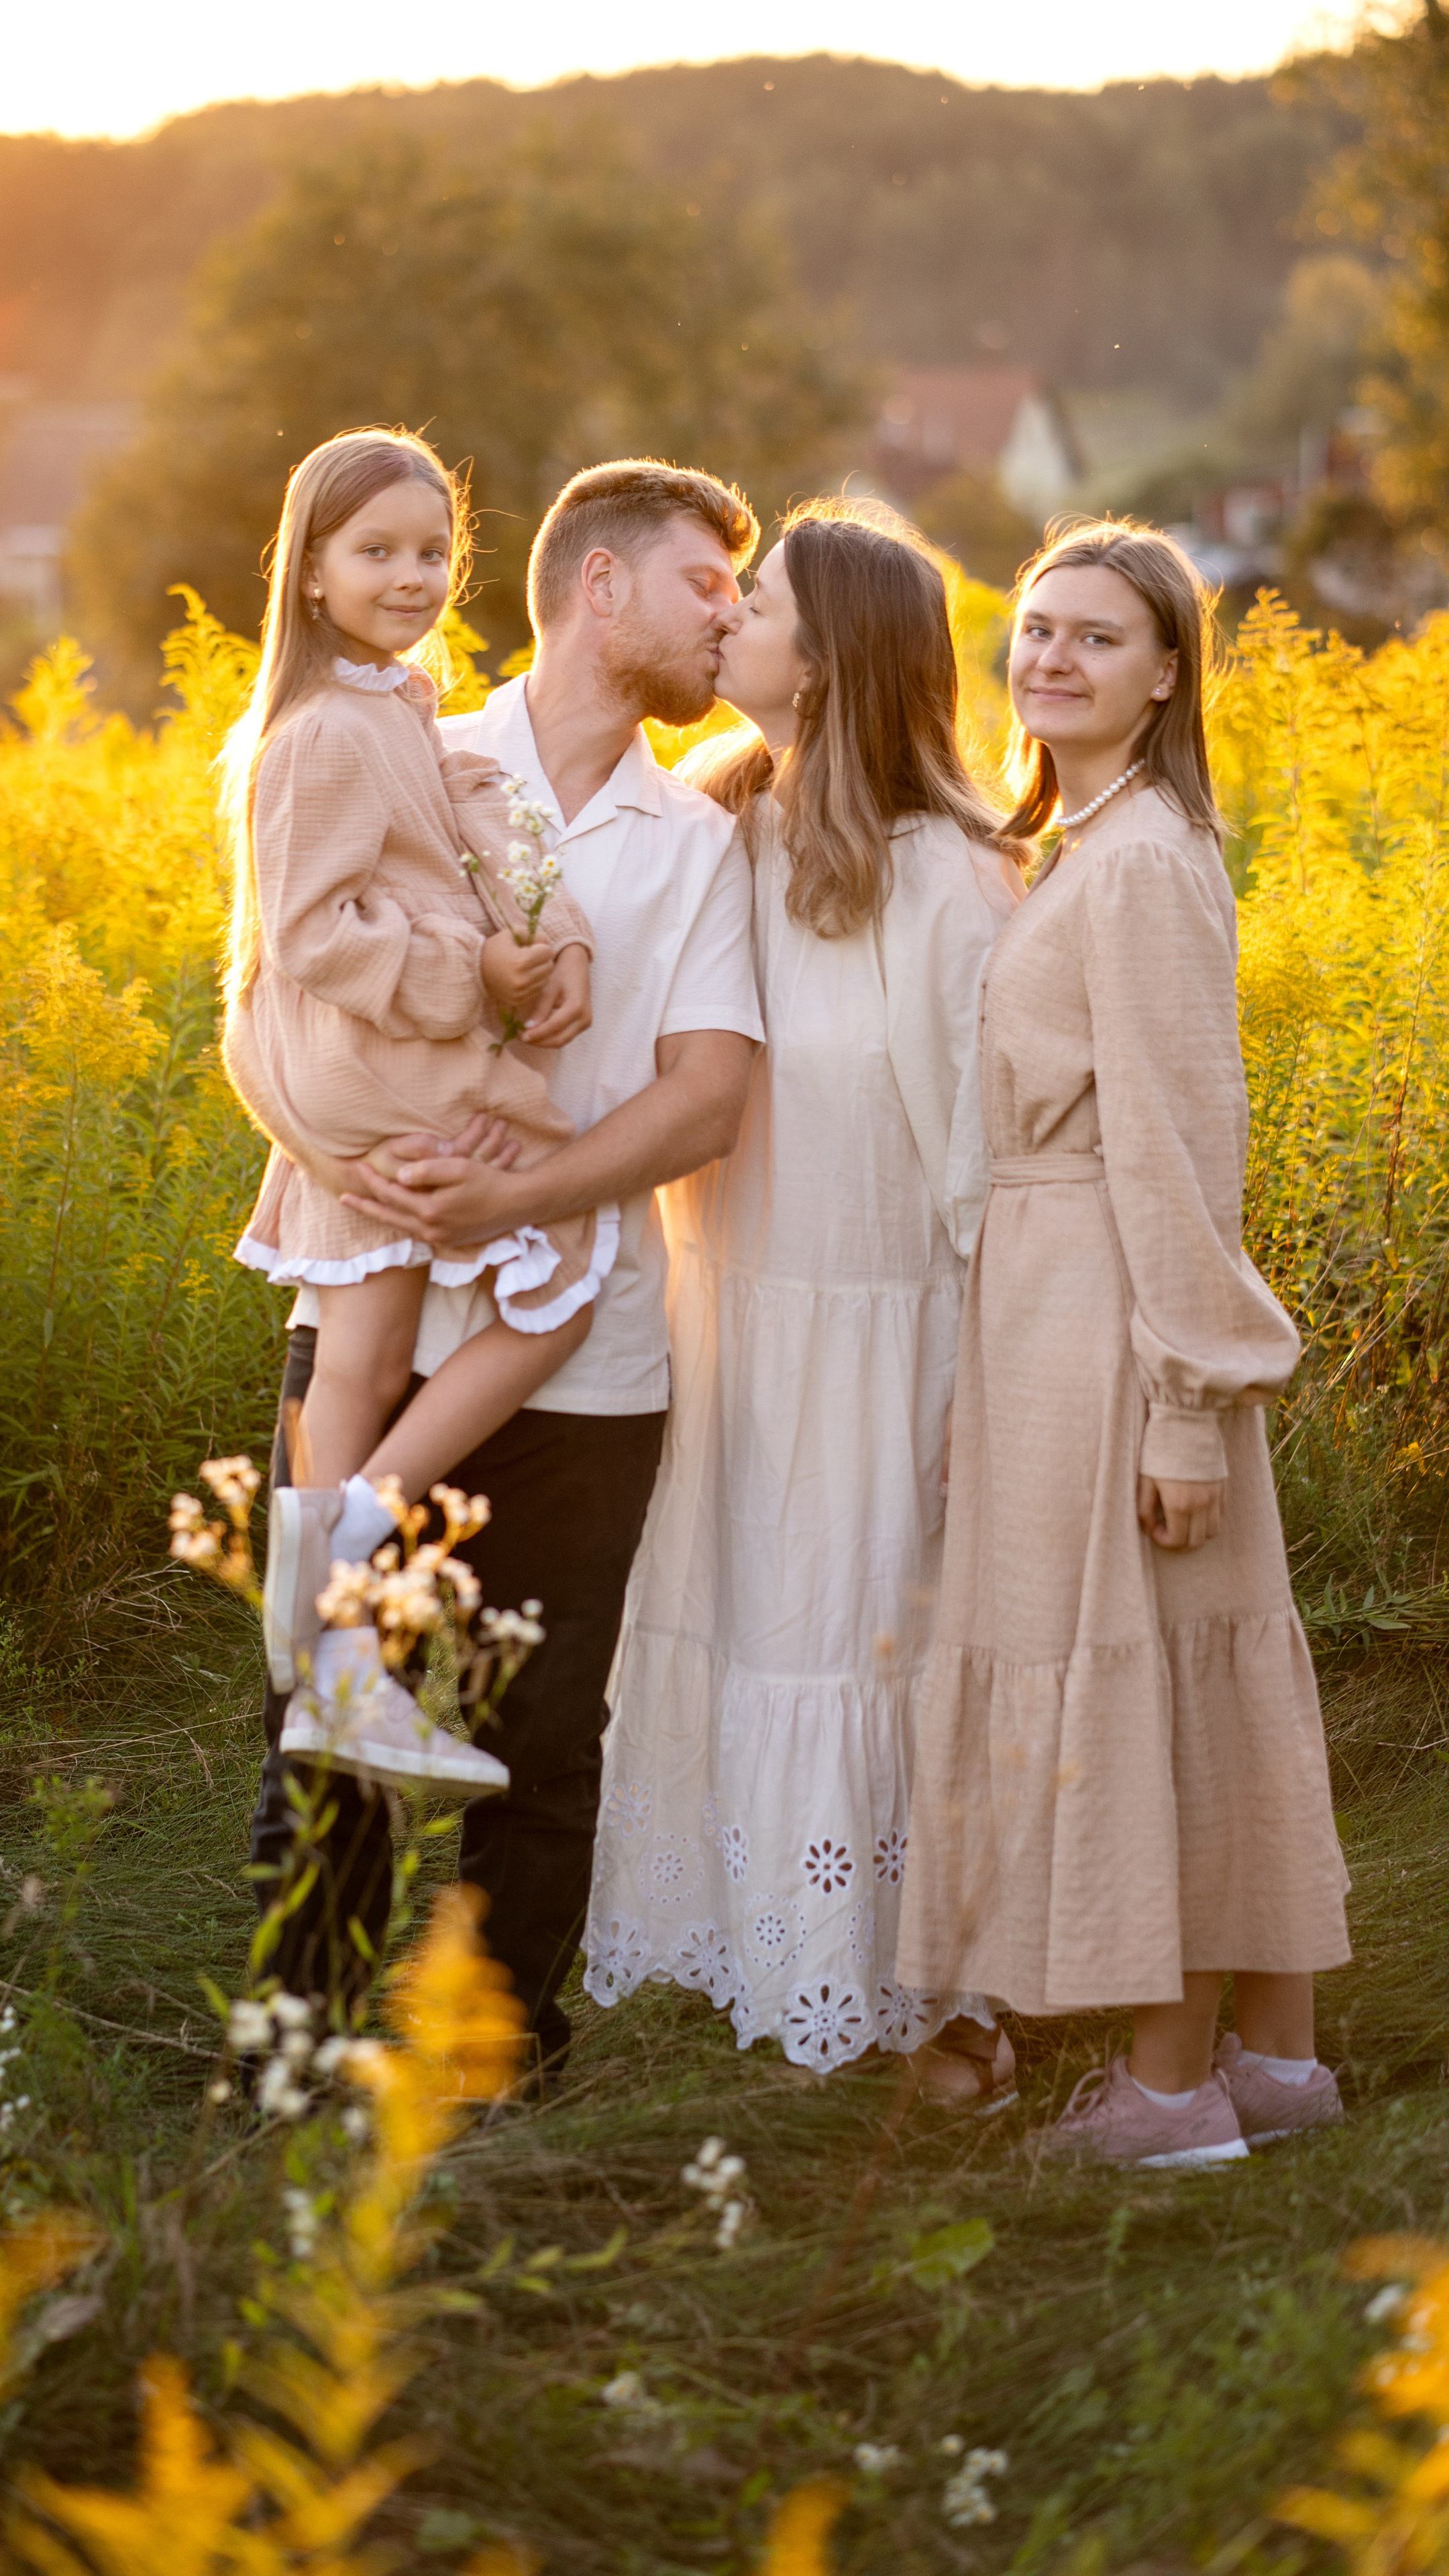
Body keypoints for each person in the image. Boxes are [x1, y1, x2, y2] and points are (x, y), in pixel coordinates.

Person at [250, 459, 766, 2071]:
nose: (730, 621)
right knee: (320, 1720)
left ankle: (492, 2061)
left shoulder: (696, 844)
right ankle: (300, 2061)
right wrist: (353, 1169)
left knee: (543, 1739)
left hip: (587, 1352)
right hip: (378, 1311)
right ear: (598, 588)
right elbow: (270, 989)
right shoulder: (407, 742)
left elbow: (706, 1097)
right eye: (706, 586)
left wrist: (519, 1190)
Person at [894, 521, 1351, 2167]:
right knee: (1195, 1657)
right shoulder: (1090, 845)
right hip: (1066, 1296)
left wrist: (1180, 1403)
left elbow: (1179, 1149)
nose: (1052, 658)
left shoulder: (1145, 862)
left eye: (1097, 636)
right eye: (1033, 630)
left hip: (1112, 1317)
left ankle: (1163, 2096)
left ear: (1166, 673)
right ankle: (1275, 2062)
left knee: (1153, 1675)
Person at [582, 503, 1024, 2096]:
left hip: (882, 1338)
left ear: (825, 660)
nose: (719, 615)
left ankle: (928, 1994)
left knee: (862, 1650)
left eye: (746, 596)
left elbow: (989, 1174)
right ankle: (740, 1937)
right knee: (728, 1623)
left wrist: (986, 1389)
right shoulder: (719, 828)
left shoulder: (947, 880)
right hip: (721, 1320)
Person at [221, 427, 623, 1793]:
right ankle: (343, 1573)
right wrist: (477, 977)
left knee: (365, 1340)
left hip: (357, 1056)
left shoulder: (389, 703)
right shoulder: (324, 733)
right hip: (374, 1050)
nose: (409, 575)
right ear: (311, 571)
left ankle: (331, 1644)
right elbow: (315, 931)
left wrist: (550, 934)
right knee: (563, 1263)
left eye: (429, 551)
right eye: (373, 551)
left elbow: (487, 820)